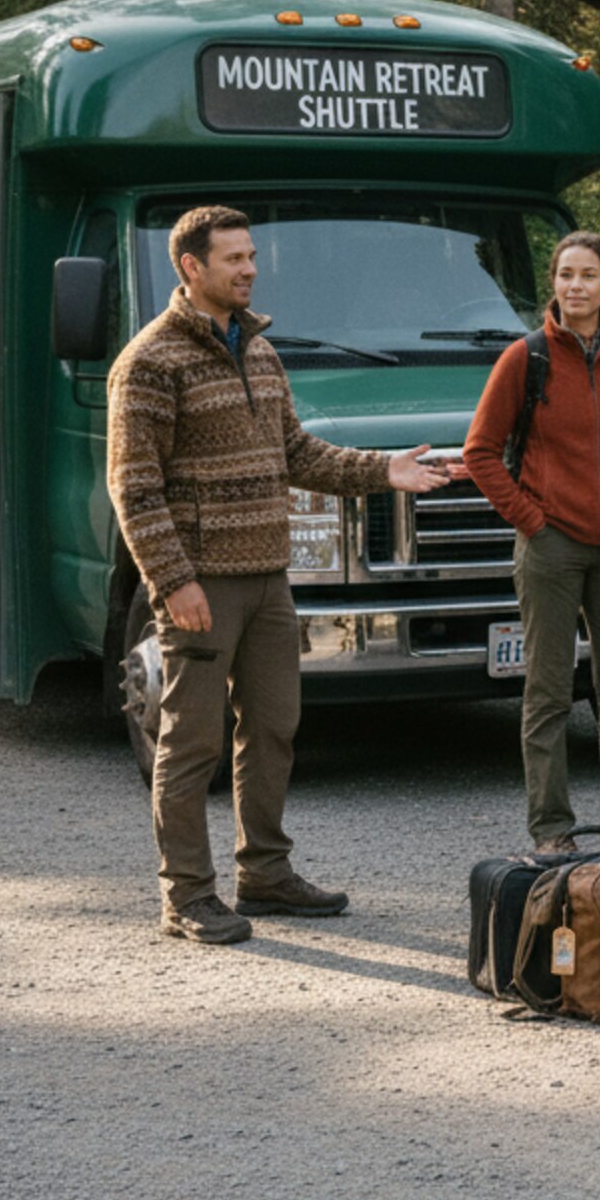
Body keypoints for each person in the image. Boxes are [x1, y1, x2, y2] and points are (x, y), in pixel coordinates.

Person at [107, 205, 454, 946]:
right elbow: (132, 490)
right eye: (234, 259)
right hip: (201, 585)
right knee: (190, 741)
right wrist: (173, 582)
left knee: (274, 730)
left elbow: (298, 453)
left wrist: (384, 470)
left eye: (252, 256)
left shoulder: (259, 350)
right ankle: (186, 896)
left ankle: (263, 873)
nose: (251, 268)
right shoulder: (149, 362)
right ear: (191, 268)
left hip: (269, 578)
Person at [464, 230, 600, 848]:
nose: (575, 286)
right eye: (565, 275)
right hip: (551, 546)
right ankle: (552, 830)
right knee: (548, 692)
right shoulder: (526, 359)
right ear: (554, 284)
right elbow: (480, 452)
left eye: (588, 276)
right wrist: (531, 520)